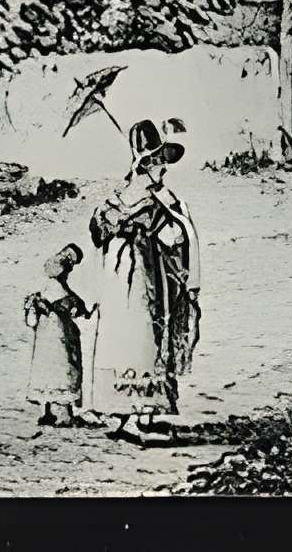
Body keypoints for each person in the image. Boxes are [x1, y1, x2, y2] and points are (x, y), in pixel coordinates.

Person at [82, 117, 200, 440]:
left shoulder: (115, 198)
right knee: (143, 335)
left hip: (117, 278)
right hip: (137, 277)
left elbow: (97, 232)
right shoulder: (148, 203)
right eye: (159, 163)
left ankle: (130, 416)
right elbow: (172, 237)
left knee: (121, 335)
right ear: (146, 164)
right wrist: (180, 223)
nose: (163, 170)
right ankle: (136, 418)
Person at [22, 243, 91, 426]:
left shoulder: (47, 286)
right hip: (58, 330)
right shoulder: (57, 286)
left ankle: (47, 411)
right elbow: (65, 302)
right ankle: (66, 414)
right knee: (64, 365)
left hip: (45, 331)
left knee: (45, 366)